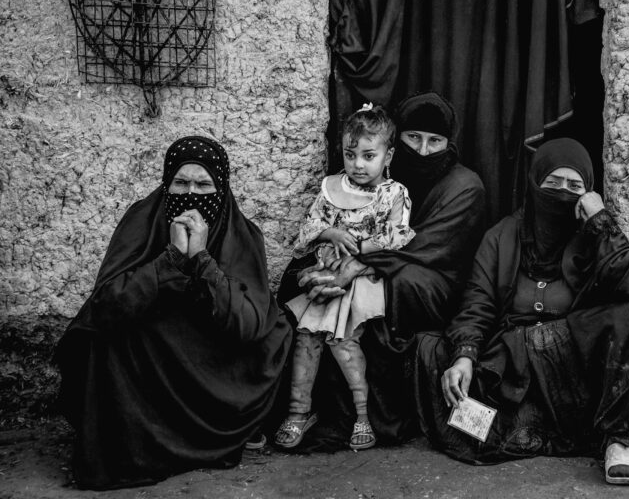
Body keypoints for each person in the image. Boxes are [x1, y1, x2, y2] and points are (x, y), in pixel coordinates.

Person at [414, 138, 629, 485]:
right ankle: (532, 426)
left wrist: (599, 219)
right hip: (513, 371)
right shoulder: (501, 236)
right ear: (535, 184)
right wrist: (465, 356)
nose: (562, 194)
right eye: (553, 184)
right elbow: (478, 303)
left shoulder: (594, 238)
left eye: (575, 186)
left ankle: (620, 445)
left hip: (574, 375)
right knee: (433, 352)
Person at [54, 136, 292, 490]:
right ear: (166, 184)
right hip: (154, 357)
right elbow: (105, 306)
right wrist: (171, 260)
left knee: (276, 331)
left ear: (221, 187)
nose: (191, 195)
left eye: (203, 185)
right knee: (105, 337)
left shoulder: (241, 235)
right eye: (181, 183)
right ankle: (133, 445)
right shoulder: (141, 220)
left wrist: (201, 261)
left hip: (215, 358)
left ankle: (224, 431)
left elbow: (247, 325)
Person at [274, 92, 486, 449]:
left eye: (435, 141)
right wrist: (329, 261)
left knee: (398, 284)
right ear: (395, 144)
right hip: (358, 263)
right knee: (305, 284)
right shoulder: (372, 170)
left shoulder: (464, 186)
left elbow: (426, 247)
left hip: (427, 279)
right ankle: (304, 407)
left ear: (449, 143)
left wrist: (357, 264)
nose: (422, 150)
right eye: (413, 138)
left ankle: (365, 411)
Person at [275, 104, 416, 450]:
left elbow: (400, 237)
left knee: (344, 342)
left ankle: (363, 414)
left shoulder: (394, 195)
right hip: (326, 274)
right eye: (351, 154)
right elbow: (308, 226)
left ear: (388, 155)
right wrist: (329, 235)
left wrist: (362, 248)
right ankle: (298, 412)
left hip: (361, 282)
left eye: (369, 155)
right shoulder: (331, 189)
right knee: (307, 338)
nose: (358, 164)